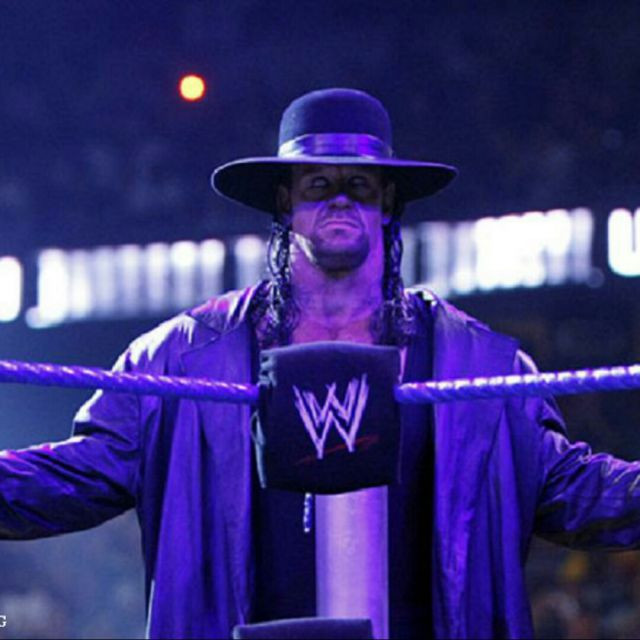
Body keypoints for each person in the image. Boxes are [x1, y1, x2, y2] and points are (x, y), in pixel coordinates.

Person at [2, 87, 640, 640]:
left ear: (388, 201)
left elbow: (573, 490)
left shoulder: (476, 363)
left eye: (358, 185)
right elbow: (77, 476)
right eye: (318, 185)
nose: (339, 201)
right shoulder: (181, 359)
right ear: (285, 202)